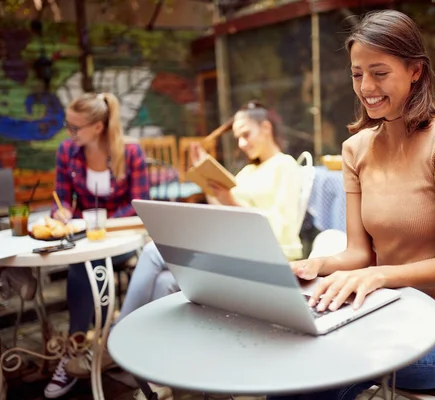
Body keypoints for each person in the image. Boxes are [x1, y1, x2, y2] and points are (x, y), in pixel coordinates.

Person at [268, 10, 435, 400]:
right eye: (357, 74)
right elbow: (358, 253)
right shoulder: (356, 149)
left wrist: (379, 276)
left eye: (379, 73)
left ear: (415, 71)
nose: (366, 86)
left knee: (326, 363)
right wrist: (315, 265)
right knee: (297, 361)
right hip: (384, 314)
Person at [64, 101, 304, 388]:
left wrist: (231, 201)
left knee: (155, 251)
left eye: (246, 134)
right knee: (166, 281)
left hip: (268, 258)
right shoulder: (248, 173)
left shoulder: (285, 166)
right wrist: (211, 188)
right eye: (237, 137)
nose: (241, 144)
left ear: (266, 127)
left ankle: (112, 345)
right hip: (236, 253)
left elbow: (281, 229)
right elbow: (227, 216)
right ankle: (149, 370)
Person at [45, 92, 149, 399]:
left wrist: (101, 222)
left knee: (85, 266)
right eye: (68, 125)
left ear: (98, 127)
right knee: (83, 262)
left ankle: (85, 347)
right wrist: (61, 211)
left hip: (123, 240)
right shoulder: (67, 151)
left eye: (75, 127)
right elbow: (62, 196)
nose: (69, 133)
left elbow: (139, 204)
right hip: (82, 239)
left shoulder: (129, 152)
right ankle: (84, 349)